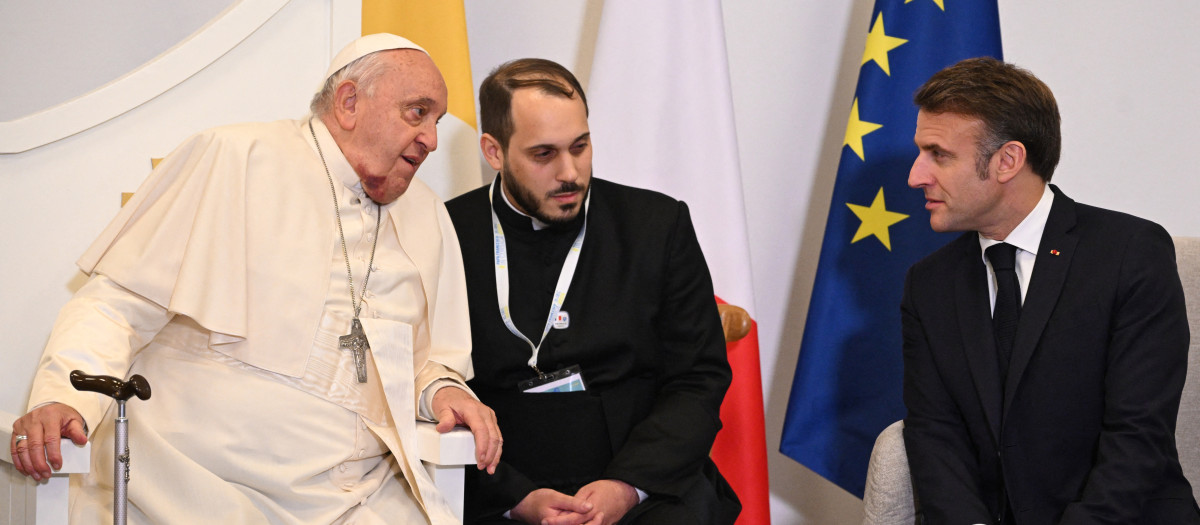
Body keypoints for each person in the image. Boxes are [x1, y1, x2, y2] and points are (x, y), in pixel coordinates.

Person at [8, 34, 501, 524]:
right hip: (194, 488)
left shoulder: (428, 215)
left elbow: (422, 364)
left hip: (356, 497)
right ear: (349, 102)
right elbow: (115, 308)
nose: (432, 140)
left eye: (436, 122)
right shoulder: (233, 156)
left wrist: (442, 391)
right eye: (417, 113)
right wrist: (62, 399)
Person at [902, 57, 1198, 524]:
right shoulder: (929, 284)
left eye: (938, 154)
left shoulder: (1129, 253)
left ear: (1007, 161)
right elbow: (935, 432)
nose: (915, 176)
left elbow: (1138, 436)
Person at [444, 58, 741, 525]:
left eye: (580, 147)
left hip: (644, 485)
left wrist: (627, 488)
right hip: (500, 488)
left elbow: (697, 379)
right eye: (544, 154)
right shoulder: (444, 235)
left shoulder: (656, 226)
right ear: (494, 151)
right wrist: (515, 498)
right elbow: (431, 387)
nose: (571, 173)